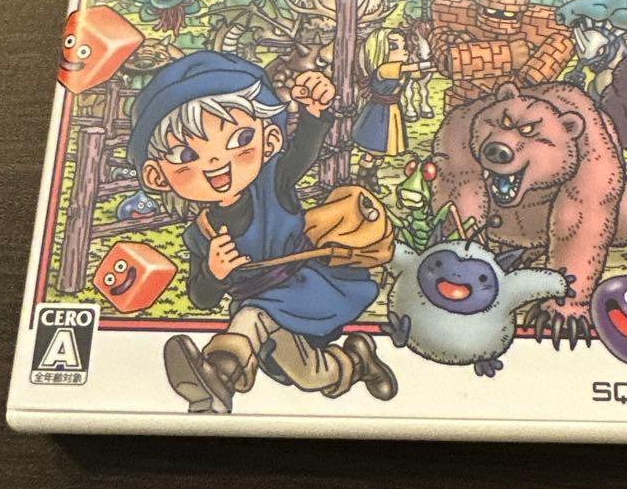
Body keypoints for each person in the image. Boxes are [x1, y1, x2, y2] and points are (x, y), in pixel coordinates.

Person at [128, 50, 397, 414]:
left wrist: (313, 113)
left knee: (250, 319)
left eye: (239, 139)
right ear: (157, 176)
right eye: (186, 156)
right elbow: (201, 297)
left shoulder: (274, 183)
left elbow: (302, 154)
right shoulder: (201, 233)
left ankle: (218, 376)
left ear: (268, 141)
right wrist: (214, 273)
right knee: (309, 375)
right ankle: (358, 361)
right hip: (262, 305)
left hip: (305, 286)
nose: (215, 161)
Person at [352, 28, 430, 192]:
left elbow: (418, 74)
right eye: (394, 47)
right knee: (373, 149)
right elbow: (411, 68)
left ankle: (372, 177)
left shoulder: (400, 69)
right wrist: (430, 64)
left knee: (382, 151)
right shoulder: (385, 69)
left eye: (404, 46)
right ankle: (362, 179)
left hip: (392, 111)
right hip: (378, 114)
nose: (404, 51)